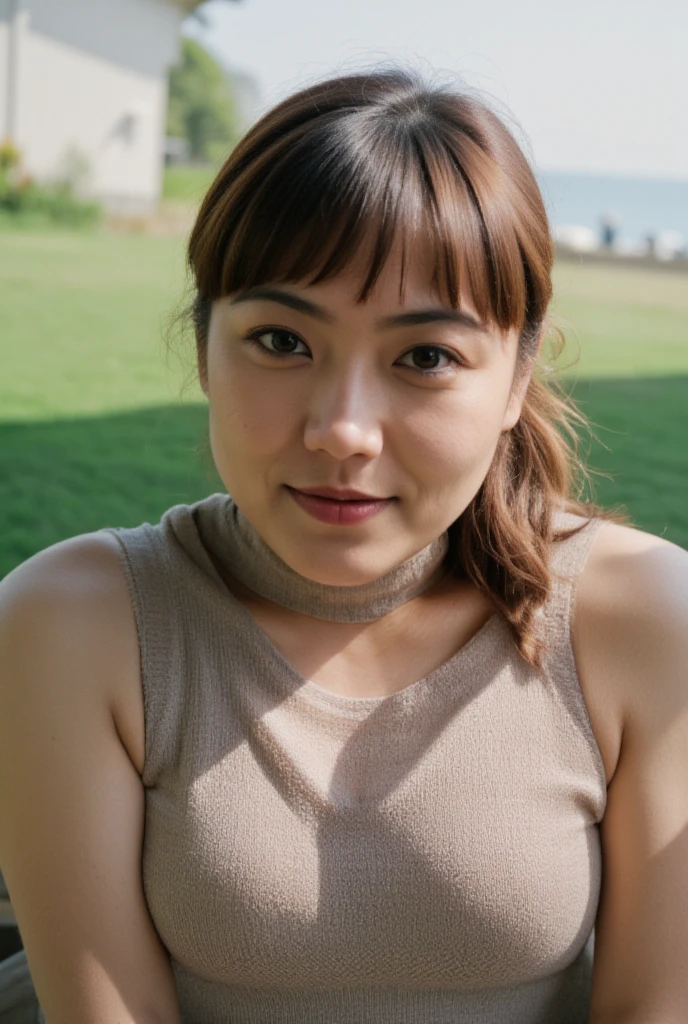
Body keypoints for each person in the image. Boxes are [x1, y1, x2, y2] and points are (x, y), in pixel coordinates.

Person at [1, 66, 687, 1024]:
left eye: (425, 357)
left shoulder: (643, 619)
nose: (343, 430)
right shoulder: (78, 623)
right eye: (282, 341)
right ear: (204, 347)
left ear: (518, 377)